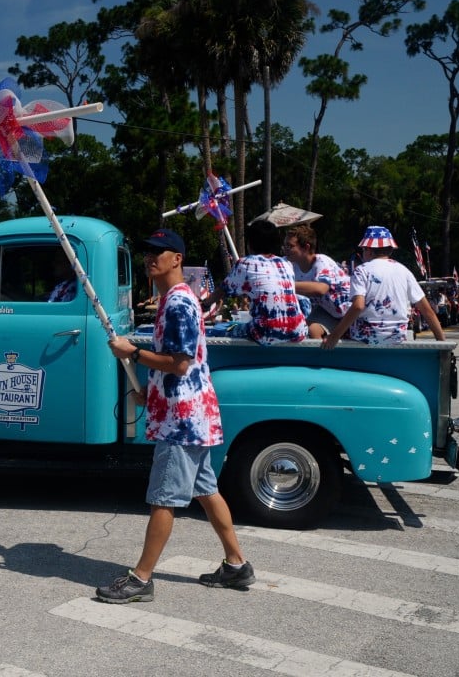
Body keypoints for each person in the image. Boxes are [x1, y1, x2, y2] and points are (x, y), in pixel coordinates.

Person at [99, 228, 254, 604]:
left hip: (182, 421)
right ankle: (237, 565)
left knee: (163, 497)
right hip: (189, 413)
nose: (151, 258)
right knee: (206, 489)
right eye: (148, 252)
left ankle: (141, 578)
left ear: (177, 259)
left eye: (160, 252)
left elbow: (180, 364)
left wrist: (131, 352)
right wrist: (149, 392)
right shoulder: (175, 299)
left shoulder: (179, 304)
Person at [323, 226, 445, 348]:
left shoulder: (361, 271)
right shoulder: (404, 271)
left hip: (366, 336)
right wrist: (443, 345)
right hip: (397, 337)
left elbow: (358, 306)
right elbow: (428, 311)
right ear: (390, 250)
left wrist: (334, 336)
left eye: (363, 250)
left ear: (369, 250)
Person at [214, 219, 308, 345]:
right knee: (303, 300)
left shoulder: (245, 263)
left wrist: (204, 304)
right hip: (299, 332)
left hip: (264, 333)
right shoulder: (286, 263)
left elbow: (223, 291)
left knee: (220, 330)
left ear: (249, 244)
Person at [282, 223, 352, 338]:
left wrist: (285, 285)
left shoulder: (322, 262)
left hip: (349, 311)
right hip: (327, 310)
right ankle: (320, 355)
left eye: (290, 246)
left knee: (311, 329)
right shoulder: (290, 264)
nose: (286, 249)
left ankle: (326, 355)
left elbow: (321, 289)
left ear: (306, 247)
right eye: (285, 245)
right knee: (306, 329)